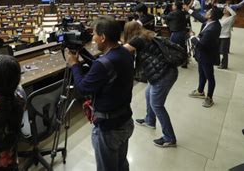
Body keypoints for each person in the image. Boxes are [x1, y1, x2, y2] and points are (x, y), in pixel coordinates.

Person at [66, 16, 134, 171]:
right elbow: (104, 66)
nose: (92, 38)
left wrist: (74, 65)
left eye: (94, 34)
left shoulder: (103, 64)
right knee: (121, 164)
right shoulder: (124, 52)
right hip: (124, 120)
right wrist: (82, 52)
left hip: (108, 129)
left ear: (103, 37)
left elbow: (83, 88)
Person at [123, 21, 178, 148]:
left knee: (157, 105)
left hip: (163, 74)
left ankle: (169, 138)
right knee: (148, 94)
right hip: (162, 71)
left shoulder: (138, 40)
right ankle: (150, 120)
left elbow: (123, 50)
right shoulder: (146, 34)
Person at [185, 5, 222, 108]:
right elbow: (200, 18)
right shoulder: (210, 22)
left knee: (210, 77)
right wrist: (189, 10)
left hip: (207, 56)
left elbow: (200, 45)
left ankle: (209, 98)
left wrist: (192, 36)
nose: (205, 12)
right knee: (201, 73)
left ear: (211, 16)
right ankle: (200, 91)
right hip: (202, 55)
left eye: (208, 11)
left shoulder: (212, 29)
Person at [162, 1, 188, 68]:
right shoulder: (183, 12)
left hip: (176, 32)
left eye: (173, 5)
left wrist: (163, 10)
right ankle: (184, 62)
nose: (172, 6)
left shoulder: (173, 13)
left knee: (171, 47)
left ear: (176, 6)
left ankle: (173, 62)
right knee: (182, 47)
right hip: (183, 32)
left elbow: (164, 17)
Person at [217, 5, 237, 69]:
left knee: (224, 52)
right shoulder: (221, 17)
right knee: (218, 50)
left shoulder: (231, 18)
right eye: (224, 9)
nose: (224, 10)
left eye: (226, 9)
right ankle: (218, 62)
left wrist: (227, 7)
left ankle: (224, 65)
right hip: (218, 35)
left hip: (225, 36)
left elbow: (234, 14)